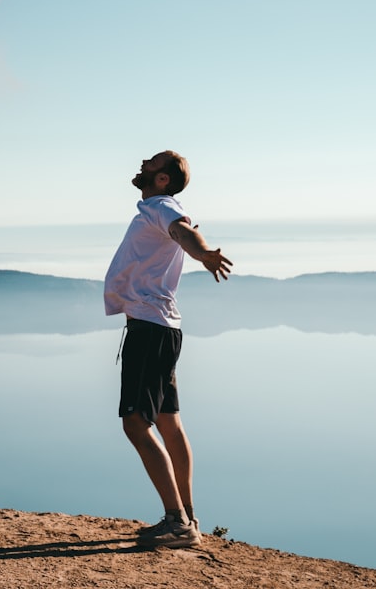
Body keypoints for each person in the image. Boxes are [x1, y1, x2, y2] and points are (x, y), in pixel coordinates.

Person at [104, 150, 232, 548]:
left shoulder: (162, 207)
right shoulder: (157, 207)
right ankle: (187, 516)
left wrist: (202, 253)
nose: (142, 163)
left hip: (149, 329)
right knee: (167, 420)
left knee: (135, 423)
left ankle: (177, 523)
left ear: (162, 179)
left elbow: (184, 231)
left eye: (151, 163)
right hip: (160, 327)